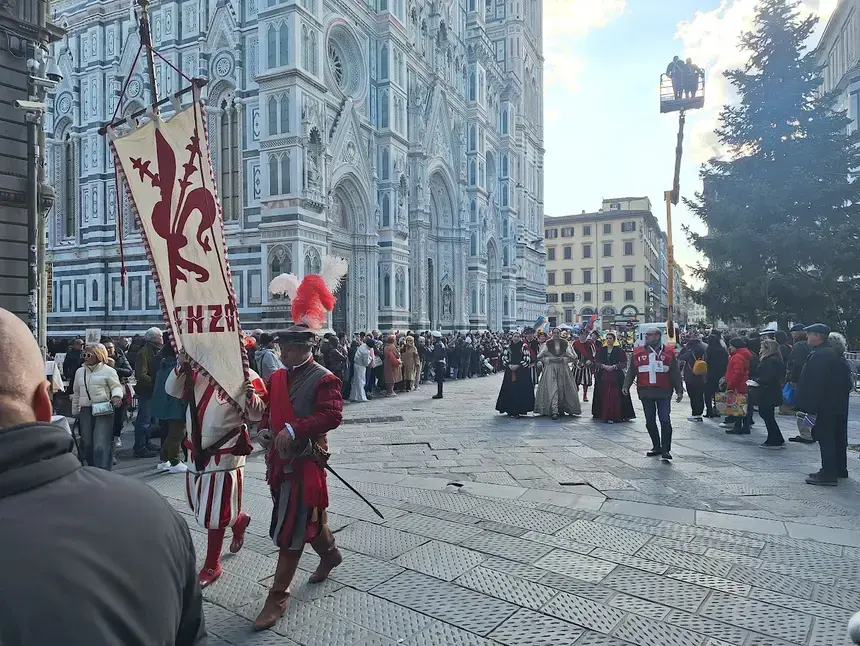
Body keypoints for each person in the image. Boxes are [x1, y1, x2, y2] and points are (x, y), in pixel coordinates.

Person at [0, 308, 206, 645]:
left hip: (105, 411)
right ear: (44, 405)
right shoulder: (152, 511)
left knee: (100, 446)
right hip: (92, 414)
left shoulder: (112, 369)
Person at [253, 322, 344, 630]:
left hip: (306, 463)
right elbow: (269, 412)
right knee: (306, 519)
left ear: (304, 349)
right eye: (282, 349)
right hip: (280, 462)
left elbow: (332, 415)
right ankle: (330, 554)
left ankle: (278, 595)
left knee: (292, 526)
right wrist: (265, 430)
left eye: (288, 350)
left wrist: (294, 429)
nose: (283, 355)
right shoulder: (278, 377)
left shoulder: (324, 378)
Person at [165, 348, 267, 588]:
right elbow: (172, 390)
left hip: (226, 450)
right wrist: (180, 364)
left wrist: (250, 396)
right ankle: (238, 520)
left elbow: (257, 413)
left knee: (214, 509)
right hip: (195, 448)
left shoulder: (247, 375)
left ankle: (213, 564)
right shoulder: (197, 372)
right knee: (198, 503)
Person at [795, 324, 852, 486]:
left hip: (824, 406)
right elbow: (848, 384)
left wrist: (809, 406)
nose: (807, 337)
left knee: (825, 438)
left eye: (809, 334)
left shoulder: (820, 355)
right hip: (838, 405)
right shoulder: (836, 355)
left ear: (817, 337)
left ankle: (828, 474)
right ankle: (839, 469)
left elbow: (814, 383)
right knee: (838, 437)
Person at [622, 327, 683, 460]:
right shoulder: (638, 352)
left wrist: (679, 390)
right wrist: (626, 385)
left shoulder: (668, 352)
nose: (646, 337)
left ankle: (666, 449)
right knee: (650, 421)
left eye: (649, 335)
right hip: (646, 391)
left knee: (665, 420)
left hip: (664, 391)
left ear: (657, 336)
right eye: (646, 335)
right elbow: (632, 371)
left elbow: (675, 372)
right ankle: (656, 446)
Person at [72, 343, 124, 470]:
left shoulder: (109, 371)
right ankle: (93, 469)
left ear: (98, 355)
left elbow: (116, 386)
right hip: (86, 409)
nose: (85, 357)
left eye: (89, 355)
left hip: (103, 409)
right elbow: (76, 392)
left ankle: (102, 470)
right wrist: (75, 410)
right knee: (87, 443)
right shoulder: (80, 372)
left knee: (100, 444)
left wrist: (117, 396)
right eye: (84, 355)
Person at [151, 336, 189, 472]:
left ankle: (164, 459)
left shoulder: (164, 365)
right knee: (177, 433)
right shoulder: (177, 368)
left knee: (170, 434)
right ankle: (174, 461)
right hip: (176, 403)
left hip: (165, 404)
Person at [534, 327, 581, 420]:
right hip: (550, 368)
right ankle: (553, 410)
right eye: (554, 333)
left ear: (560, 334)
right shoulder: (547, 344)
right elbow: (540, 356)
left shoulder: (565, 343)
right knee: (552, 388)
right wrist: (549, 359)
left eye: (557, 333)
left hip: (563, 368)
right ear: (552, 334)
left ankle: (561, 408)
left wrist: (564, 359)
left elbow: (574, 357)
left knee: (562, 388)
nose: (556, 335)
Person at [133, 327, 163, 458]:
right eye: (160, 336)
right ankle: (140, 447)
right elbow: (141, 374)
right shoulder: (144, 352)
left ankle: (147, 442)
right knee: (144, 420)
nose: (162, 339)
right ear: (154, 338)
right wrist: (155, 383)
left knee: (150, 420)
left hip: (153, 390)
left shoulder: (156, 350)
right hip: (147, 391)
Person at [592, 331, 635, 423]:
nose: (608, 340)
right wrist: (603, 366)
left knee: (617, 394)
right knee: (602, 393)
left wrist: (615, 366)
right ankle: (602, 413)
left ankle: (620, 414)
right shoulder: (601, 350)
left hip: (617, 376)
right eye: (607, 338)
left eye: (610, 338)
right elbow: (596, 361)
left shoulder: (619, 350)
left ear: (614, 339)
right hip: (603, 375)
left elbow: (624, 363)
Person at [495, 332, 535, 418]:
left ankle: (520, 409)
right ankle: (509, 409)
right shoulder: (507, 347)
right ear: (512, 337)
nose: (516, 338)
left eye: (518, 336)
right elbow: (504, 357)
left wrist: (518, 365)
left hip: (522, 372)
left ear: (520, 338)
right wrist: (509, 365)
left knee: (520, 391)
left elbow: (527, 358)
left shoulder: (524, 347)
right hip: (510, 372)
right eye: (515, 336)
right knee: (509, 390)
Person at [756, 338, 786, 448]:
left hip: (768, 392)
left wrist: (757, 380)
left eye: (762, 348)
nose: (760, 350)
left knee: (767, 415)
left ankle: (774, 440)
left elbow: (769, 377)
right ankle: (776, 437)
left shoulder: (770, 361)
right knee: (767, 415)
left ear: (768, 348)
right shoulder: (775, 359)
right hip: (771, 391)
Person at [103, 336, 133, 447]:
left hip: (119, 388)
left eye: (110, 347)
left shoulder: (120, 356)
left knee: (119, 416)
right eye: (106, 348)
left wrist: (113, 370)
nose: (108, 350)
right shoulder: (98, 358)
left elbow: (129, 371)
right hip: (103, 390)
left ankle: (116, 435)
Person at [786, 324, 814, 442]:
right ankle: (811, 432)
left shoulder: (799, 346)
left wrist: (792, 378)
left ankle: (805, 434)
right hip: (810, 380)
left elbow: (796, 364)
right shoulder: (810, 345)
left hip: (800, 381)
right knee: (810, 409)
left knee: (802, 409)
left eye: (793, 333)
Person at [722, 338, 753, 434]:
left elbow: (738, 373)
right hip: (743, 384)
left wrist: (730, 385)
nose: (729, 347)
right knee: (743, 406)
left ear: (735, 346)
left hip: (737, 385)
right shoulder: (744, 355)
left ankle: (738, 427)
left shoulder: (737, 357)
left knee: (738, 407)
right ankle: (745, 426)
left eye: (731, 345)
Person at [679, 335, 708, 422]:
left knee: (693, 396)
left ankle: (695, 414)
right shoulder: (704, 351)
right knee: (700, 396)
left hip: (691, 377)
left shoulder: (690, 352)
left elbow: (680, 357)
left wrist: (684, 349)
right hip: (702, 377)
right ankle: (699, 413)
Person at [704, 332, 728, 418]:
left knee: (707, 394)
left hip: (709, 374)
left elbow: (705, 361)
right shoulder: (723, 350)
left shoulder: (708, 350)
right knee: (719, 393)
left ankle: (709, 411)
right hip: (720, 374)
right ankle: (718, 411)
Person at [573, 329, 596, 402]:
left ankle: (585, 395)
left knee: (585, 381)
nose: (583, 336)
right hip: (577, 364)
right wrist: (575, 361)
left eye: (584, 335)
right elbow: (572, 353)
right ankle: (575, 395)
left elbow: (594, 353)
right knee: (575, 381)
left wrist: (590, 360)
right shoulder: (575, 343)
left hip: (586, 364)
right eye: (581, 335)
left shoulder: (590, 343)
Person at [350, 337, 374, 403]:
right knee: (361, 381)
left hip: (356, 364)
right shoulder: (366, 352)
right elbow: (366, 363)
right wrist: (370, 358)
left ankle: (353, 396)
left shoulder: (362, 346)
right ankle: (361, 397)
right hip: (361, 366)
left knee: (356, 381)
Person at [432, 331, 447, 399]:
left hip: (439, 363)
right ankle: (440, 393)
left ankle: (439, 393)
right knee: (440, 379)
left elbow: (436, 355)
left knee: (439, 379)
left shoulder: (437, 345)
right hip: (442, 363)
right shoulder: (441, 343)